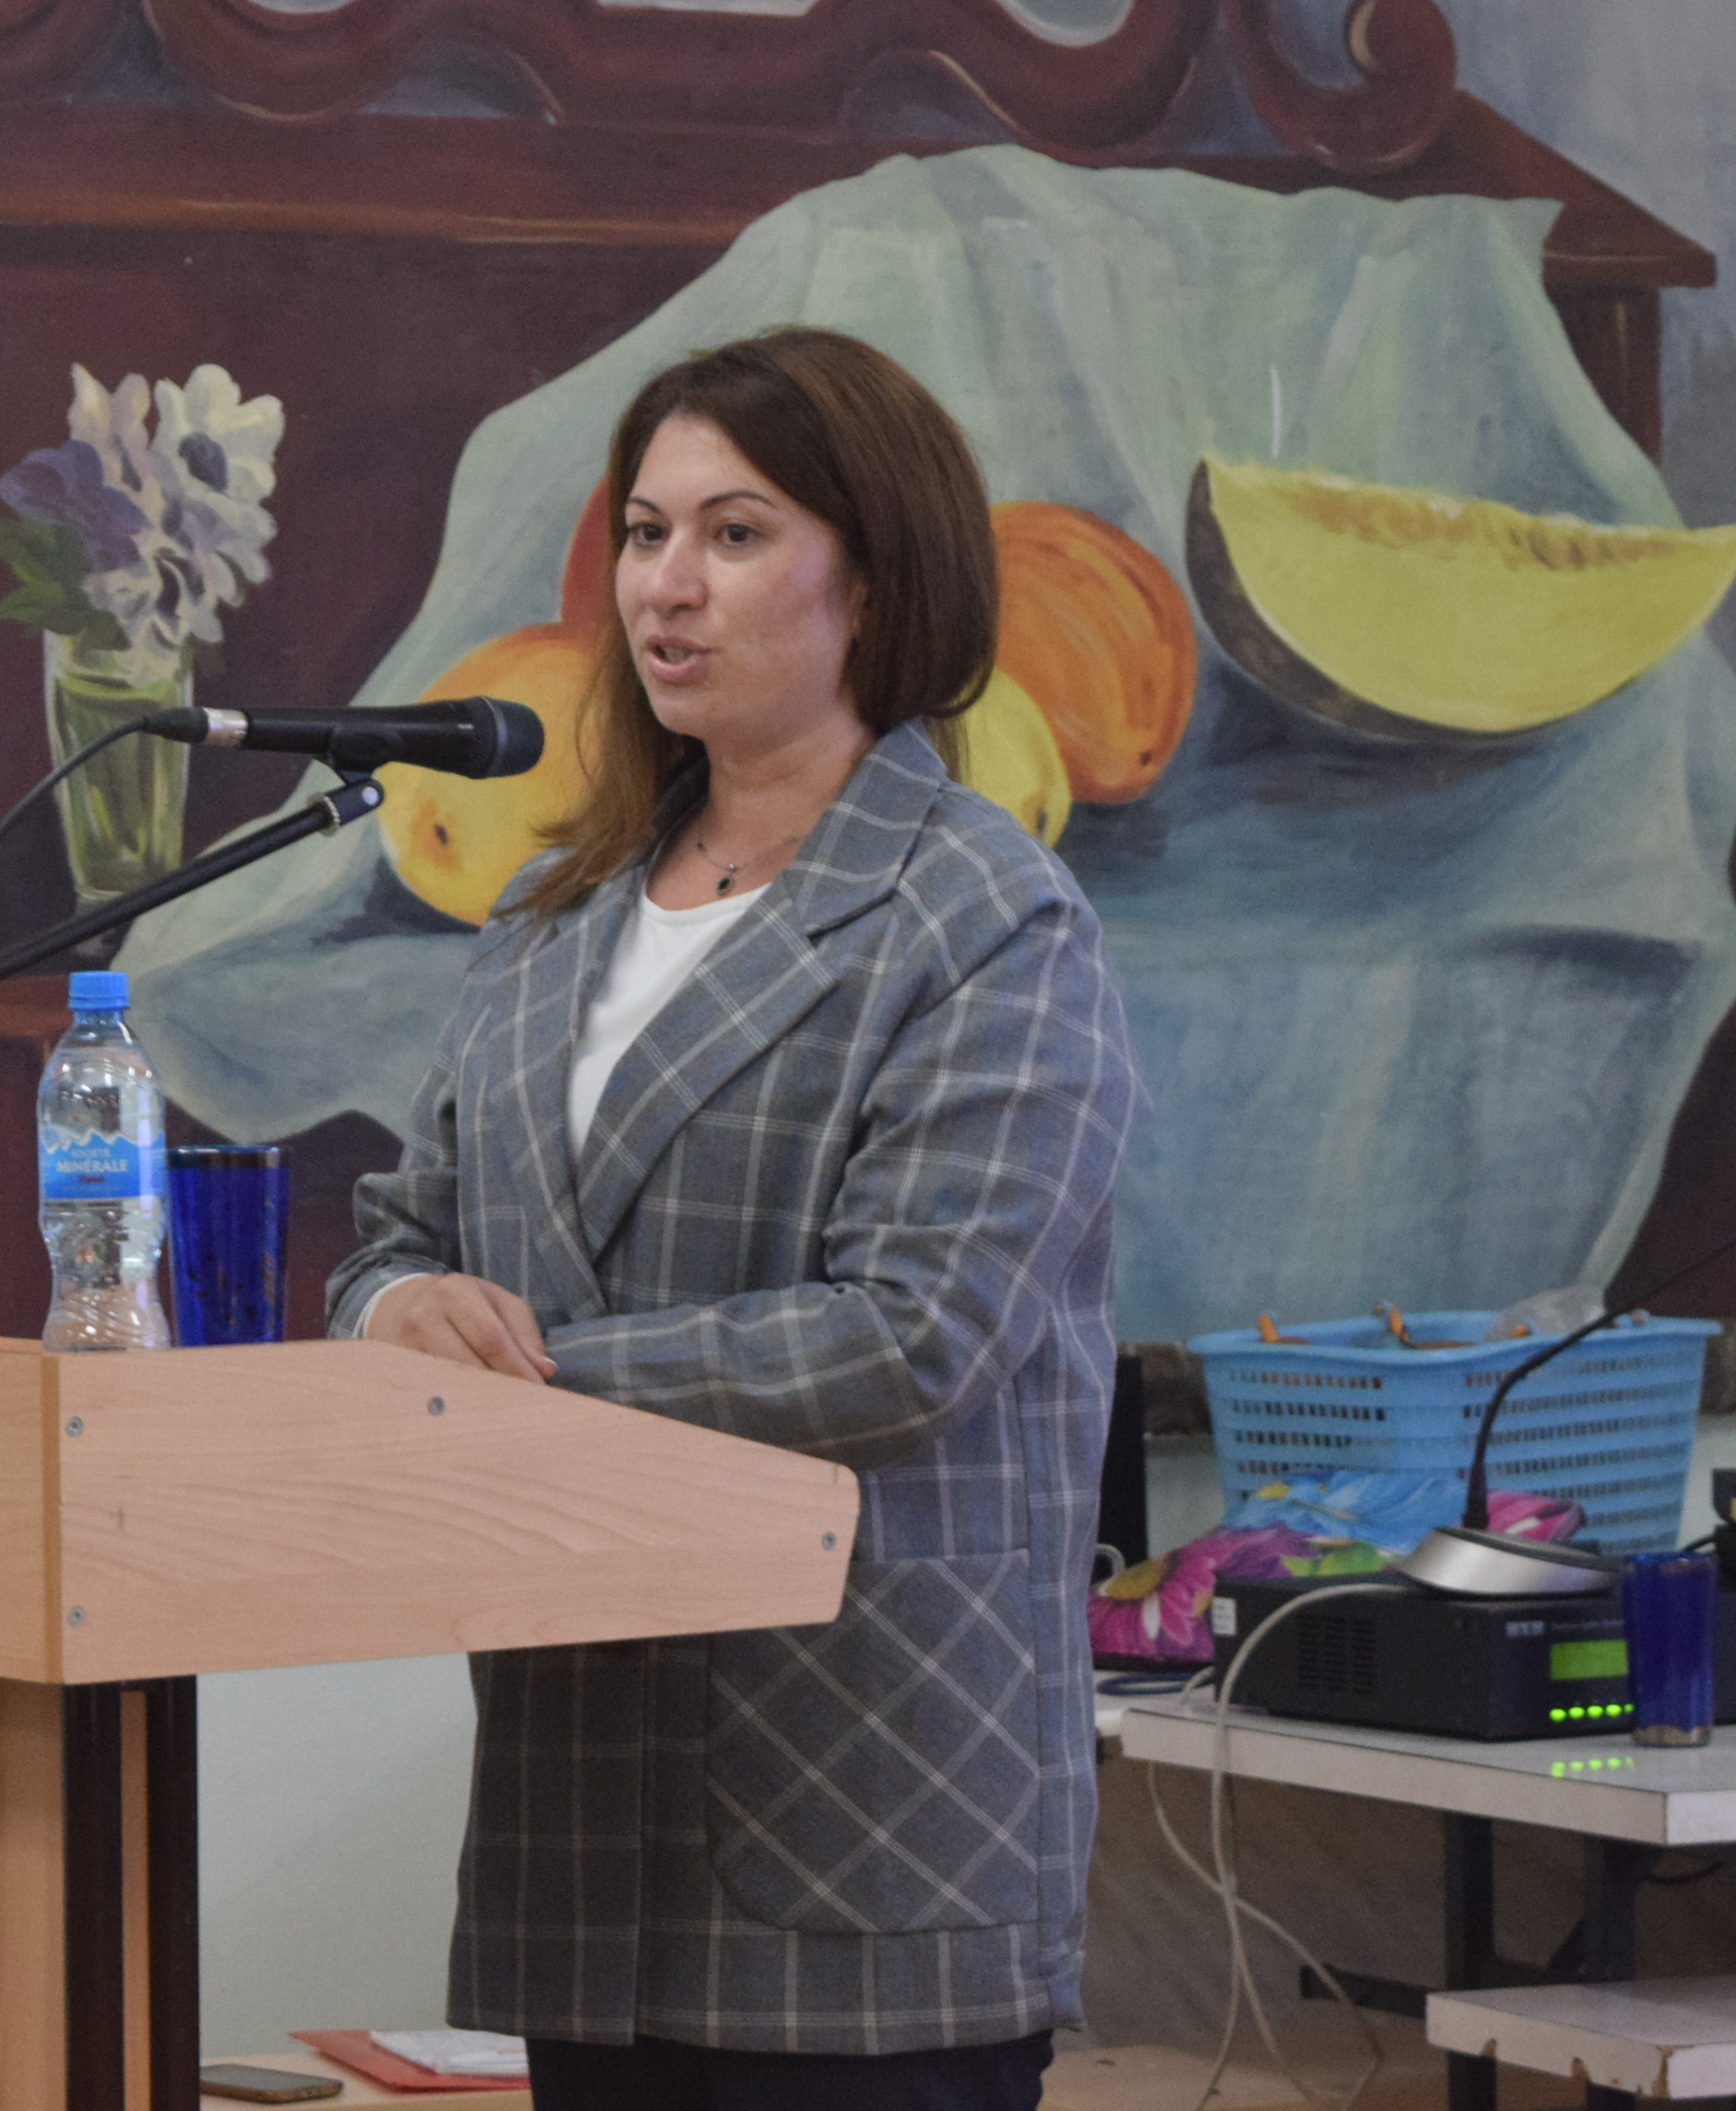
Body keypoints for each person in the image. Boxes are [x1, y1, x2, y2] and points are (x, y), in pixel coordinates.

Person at [330, 327, 1141, 2111]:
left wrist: (515, 1384)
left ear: (879, 580)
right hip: (577, 1811)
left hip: (866, 1802)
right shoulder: (549, 920)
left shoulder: (988, 921)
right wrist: (392, 1319)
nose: (665, 586)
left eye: (736, 533)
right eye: (644, 533)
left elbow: (911, 1336)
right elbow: (397, 1238)